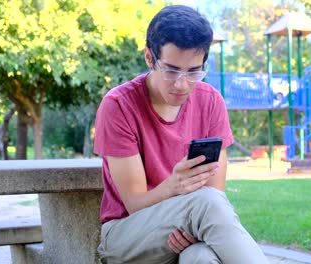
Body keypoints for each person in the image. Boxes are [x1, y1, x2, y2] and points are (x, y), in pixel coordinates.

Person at [93, 5, 268, 264]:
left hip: (192, 226)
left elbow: (214, 194)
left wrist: (193, 227)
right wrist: (173, 187)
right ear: (149, 58)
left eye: (194, 72)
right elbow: (134, 204)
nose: (181, 84)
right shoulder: (118, 105)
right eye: (171, 70)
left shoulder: (211, 102)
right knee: (206, 205)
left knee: (200, 258)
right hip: (126, 235)